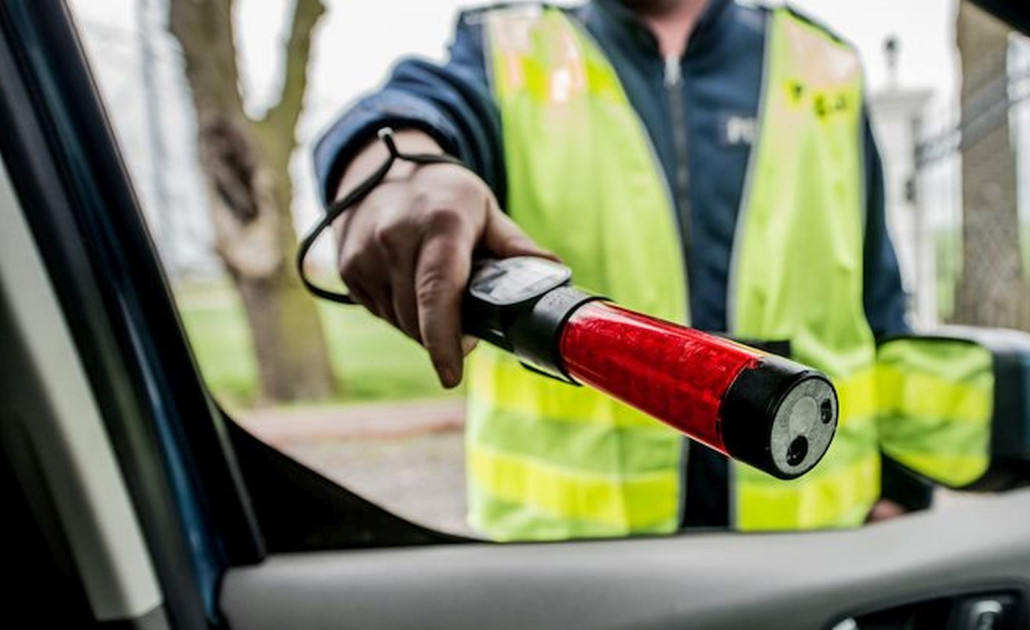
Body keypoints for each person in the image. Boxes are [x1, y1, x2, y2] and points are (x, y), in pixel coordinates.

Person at [314, 0, 949, 541]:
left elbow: (879, 305)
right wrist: (397, 173)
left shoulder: (824, 65)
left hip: (808, 550)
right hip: (582, 571)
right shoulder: (510, 49)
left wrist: (904, 492)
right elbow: (412, 109)